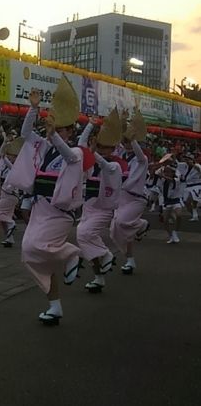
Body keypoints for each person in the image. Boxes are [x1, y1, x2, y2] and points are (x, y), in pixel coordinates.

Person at [6, 75, 91, 326]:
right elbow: (25, 133)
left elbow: (71, 158)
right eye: (56, 127)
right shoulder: (44, 146)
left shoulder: (75, 151)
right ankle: (54, 306)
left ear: (70, 131)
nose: (57, 131)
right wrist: (34, 108)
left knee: (37, 248)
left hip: (60, 212)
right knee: (30, 254)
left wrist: (54, 136)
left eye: (63, 128)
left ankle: (72, 254)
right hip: (40, 207)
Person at [76, 110, 125, 293]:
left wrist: (93, 151)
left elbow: (102, 163)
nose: (102, 150)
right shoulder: (91, 162)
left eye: (106, 148)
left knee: (85, 234)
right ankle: (99, 277)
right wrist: (90, 124)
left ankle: (106, 254)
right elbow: (81, 146)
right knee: (83, 237)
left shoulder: (114, 166)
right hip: (89, 206)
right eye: (100, 147)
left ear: (113, 149)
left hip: (104, 210)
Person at [110, 107, 150, 274]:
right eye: (125, 142)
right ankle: (130, 260)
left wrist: (132, 139)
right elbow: (118, 138)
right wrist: (123, 121)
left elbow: (139, 153)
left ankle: (141, 224)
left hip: (137, 198)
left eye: (129, 142)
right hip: (122, 198)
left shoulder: (142, 160)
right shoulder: (120, 156)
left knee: (121, 223)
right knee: (116, 230)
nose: (125, 144)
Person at [0, 136, 23, 247]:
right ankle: (9, 239)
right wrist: (4, 142)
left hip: (10, 195)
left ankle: (12, 223)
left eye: (11, 156)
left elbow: (3, 156)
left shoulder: (16, 167)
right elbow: (3, 156)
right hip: (6, 194)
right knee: (4, 219)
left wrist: (4, 147)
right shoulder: (7, 167)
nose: (9, 157)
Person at [177, 152, 201, 221]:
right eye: (186, 159)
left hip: (197, 186)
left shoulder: (197, 165)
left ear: (192, 160)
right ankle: (194, 214)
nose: (187, 161)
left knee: (192, 201)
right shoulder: (185, 166)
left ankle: (195, 215)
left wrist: (193, 165)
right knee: (186, 203)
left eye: (189, 159)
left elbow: (200, 170)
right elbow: (177, 165)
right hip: (187, 187)